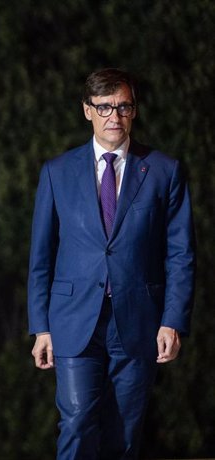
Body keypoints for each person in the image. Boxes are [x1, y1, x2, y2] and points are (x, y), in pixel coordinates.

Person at [27, 68, 195, 459]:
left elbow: (181, 253)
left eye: (123, 107)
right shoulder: (56, 172)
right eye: (104, 107)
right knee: (76, 422)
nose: (113, 117)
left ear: (133, 111)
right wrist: (41, 327)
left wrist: (172, 320)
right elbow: (41, 256)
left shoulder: (164, 171)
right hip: (72, 319)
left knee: (125, 433)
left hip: (138, 318)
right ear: (87, 110)